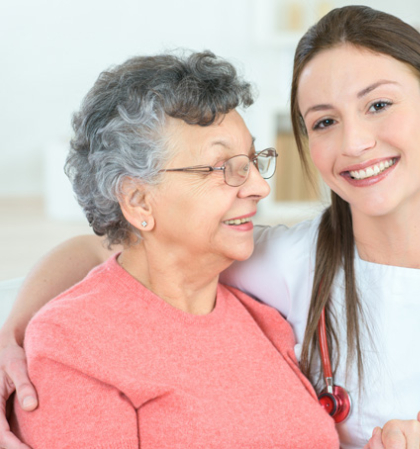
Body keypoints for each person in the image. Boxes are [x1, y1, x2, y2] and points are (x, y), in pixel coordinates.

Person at [0, 6, 420, 449]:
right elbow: (117, 252)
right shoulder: (285, 263)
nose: (357, 142)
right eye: (323, 121)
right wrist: (16, 329)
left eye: (379, 104)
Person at [5, 50, 341, 448]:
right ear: (138, 201)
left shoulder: (262, 320)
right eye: (222, 168)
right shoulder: (71, 348)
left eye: (252, 161)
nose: (258, 187)